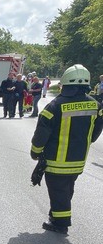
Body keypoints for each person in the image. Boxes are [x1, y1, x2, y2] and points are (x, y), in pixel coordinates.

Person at [30, 64, 103, 234]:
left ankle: (60, 223)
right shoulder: (95, 105)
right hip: (78, 161)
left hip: (57, 161)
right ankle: (56, 216)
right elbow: (95, 131)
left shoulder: (55, 106)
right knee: (66, 190)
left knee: (58, 191)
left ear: (65, 83)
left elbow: (42, 133)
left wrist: (35, 151)